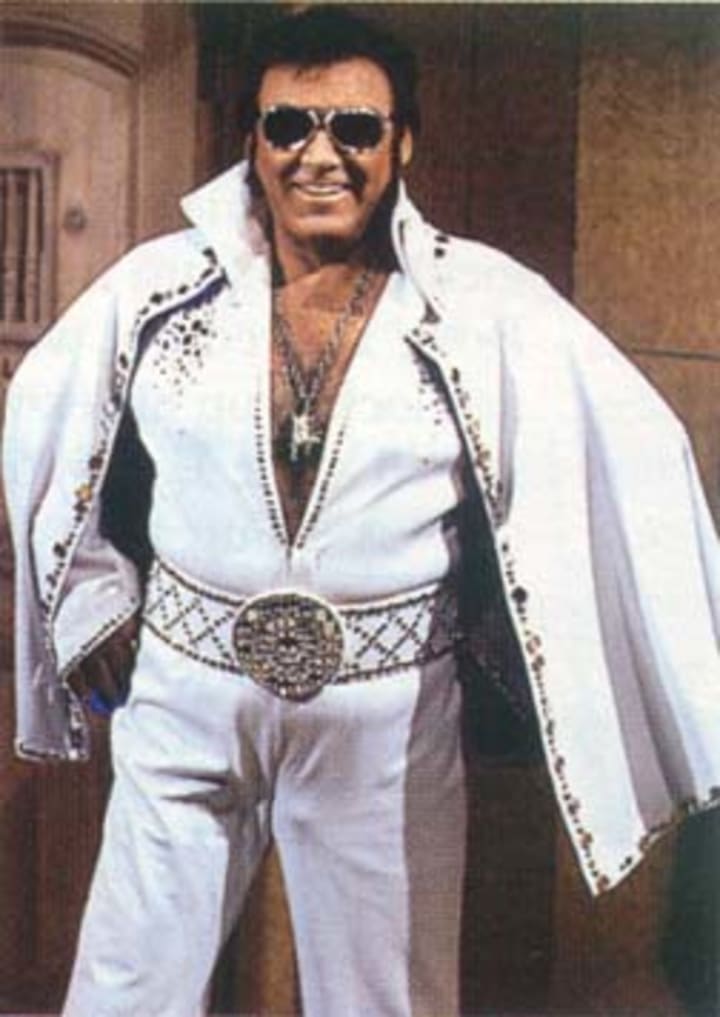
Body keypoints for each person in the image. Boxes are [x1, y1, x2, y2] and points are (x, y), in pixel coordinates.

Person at [4, 6, 720, 1016]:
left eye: (354, 128)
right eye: (289, 126)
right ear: (252, 141)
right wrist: (89, 599)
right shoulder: (157, 290)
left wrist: (525, 636)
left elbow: (641, 453)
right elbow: (43, 415)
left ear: (403, 143)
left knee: (389, 1004)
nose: (319, 156)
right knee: (122, 994)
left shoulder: (485, 307)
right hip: (184, 699)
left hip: (388, 720)